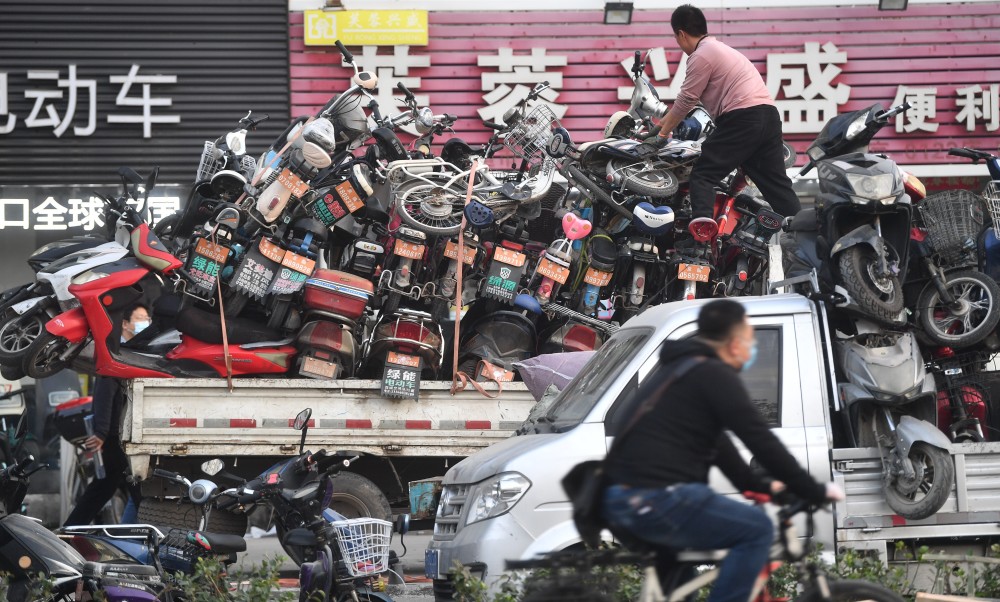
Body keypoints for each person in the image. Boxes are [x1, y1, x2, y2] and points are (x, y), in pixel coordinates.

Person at [601, 299, 844, 602]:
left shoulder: (681, 370)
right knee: (756, 530)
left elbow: (719, 448)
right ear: (733, 342)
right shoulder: (712, 374)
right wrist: (811, 490)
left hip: (622, 498)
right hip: (658, 497)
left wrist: (761, 486)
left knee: (679, 590)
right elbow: (758, 438)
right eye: (748, 338)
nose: (751, 346)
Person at [648, 4, 801, 221]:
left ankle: (700, 236)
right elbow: (683, 105)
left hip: (743, 118)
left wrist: (662, 136)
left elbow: (687, 100)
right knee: (777, 187)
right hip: (768, 117)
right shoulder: (722, 50)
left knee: (703, 174)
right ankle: (807, 237)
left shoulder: (702, 54)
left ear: (681, 34)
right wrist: (660, 125)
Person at [64, 304, 149, 526]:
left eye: (146, 318)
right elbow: (104, 391)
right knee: (133, 488)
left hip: (122, 435)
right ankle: (72, 530)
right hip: (115, 437)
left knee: (115, 487)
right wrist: (101, 432)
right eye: (139, 318)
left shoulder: (136, 351)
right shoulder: (116, 352)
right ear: (125, 324)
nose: (144, 322)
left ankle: (73, 530)